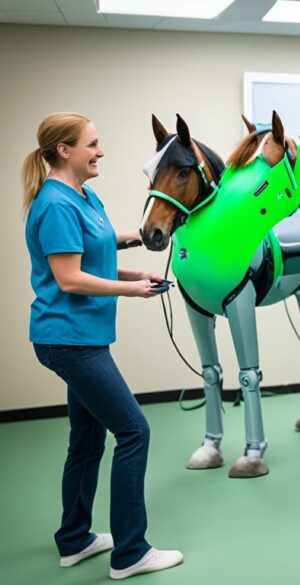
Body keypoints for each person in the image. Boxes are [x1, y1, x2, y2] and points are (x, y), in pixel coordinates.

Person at [22, 112, 183, 580]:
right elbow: (69, 278)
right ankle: (131, 552)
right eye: (92, 144)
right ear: (64, 151)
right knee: (134, 431)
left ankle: (74, 540)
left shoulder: (83, 196)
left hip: (82, 338)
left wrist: (139, 258)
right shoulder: (54, 204)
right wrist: (131, 290)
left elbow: (96, 249)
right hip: (69, 341)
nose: (101, 151)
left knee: (87, 439)